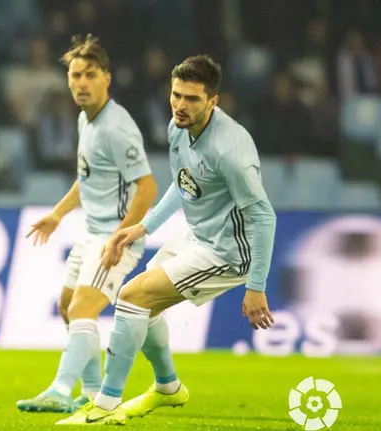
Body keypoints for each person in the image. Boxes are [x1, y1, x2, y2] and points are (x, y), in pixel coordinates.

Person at [56, 55, 277, 426]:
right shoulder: (178, 126)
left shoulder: (230, 150)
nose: (181, 105)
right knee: (144, 308)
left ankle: (106, 405)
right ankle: (167, 387)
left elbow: (264, 216)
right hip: (199, 235)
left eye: (192, 99)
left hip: (230, 251)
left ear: (213, 101)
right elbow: (183, 182)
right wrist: (143, 227)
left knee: (131, 297)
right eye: (176, 95)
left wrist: (256, 286)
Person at [16, 34, 157, 413]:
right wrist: (57, 214)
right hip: (92, 234)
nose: (80, 82)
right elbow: (87, 177)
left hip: (113, 238)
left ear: (106, 78)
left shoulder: (116, 126)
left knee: (82, 310)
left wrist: (121, 236)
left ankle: (61, 389)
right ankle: (92, 391)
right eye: (75, 75)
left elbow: (147, 186)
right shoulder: (86, 119)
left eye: (89, 74)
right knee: (67, 307)